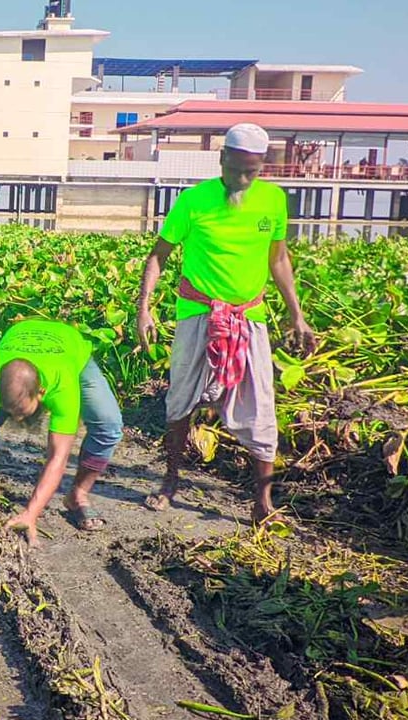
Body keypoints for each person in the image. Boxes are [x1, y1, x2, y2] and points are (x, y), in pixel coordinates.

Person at [135, 122, 315, 524]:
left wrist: (297, 315)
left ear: (261, 166)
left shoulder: (273, 200)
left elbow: (278, 259)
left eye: (251, 172)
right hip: (197, 313)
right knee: (180, 400)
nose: (242, 179)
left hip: (249, 317)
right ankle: (170, 480)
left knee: (261, 407)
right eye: (235, 170)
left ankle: (262, 502)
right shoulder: (193, 200)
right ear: (222, 159)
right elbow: (158, 255)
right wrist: (144, 308)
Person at [0, 319, 124, 547]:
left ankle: (78, 494)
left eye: (22, 412)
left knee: (109, 426)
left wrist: (30, 514)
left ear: (42, 393)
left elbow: (57, 458)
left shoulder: (63, 386)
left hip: (69, 347)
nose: (17, 419)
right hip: (19, 335)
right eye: (10, 411)